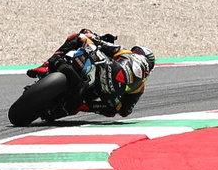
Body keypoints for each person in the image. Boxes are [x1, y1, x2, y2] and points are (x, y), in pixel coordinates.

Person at [25, 28, 155, 118]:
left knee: (78, 37)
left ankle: (47, 65)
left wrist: (92, 35)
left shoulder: (127, 53)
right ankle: (80, 105)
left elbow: (100, 43)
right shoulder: (140, 87)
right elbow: (125, 111)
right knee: (110, 111)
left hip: (106, 70)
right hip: (106, 95)